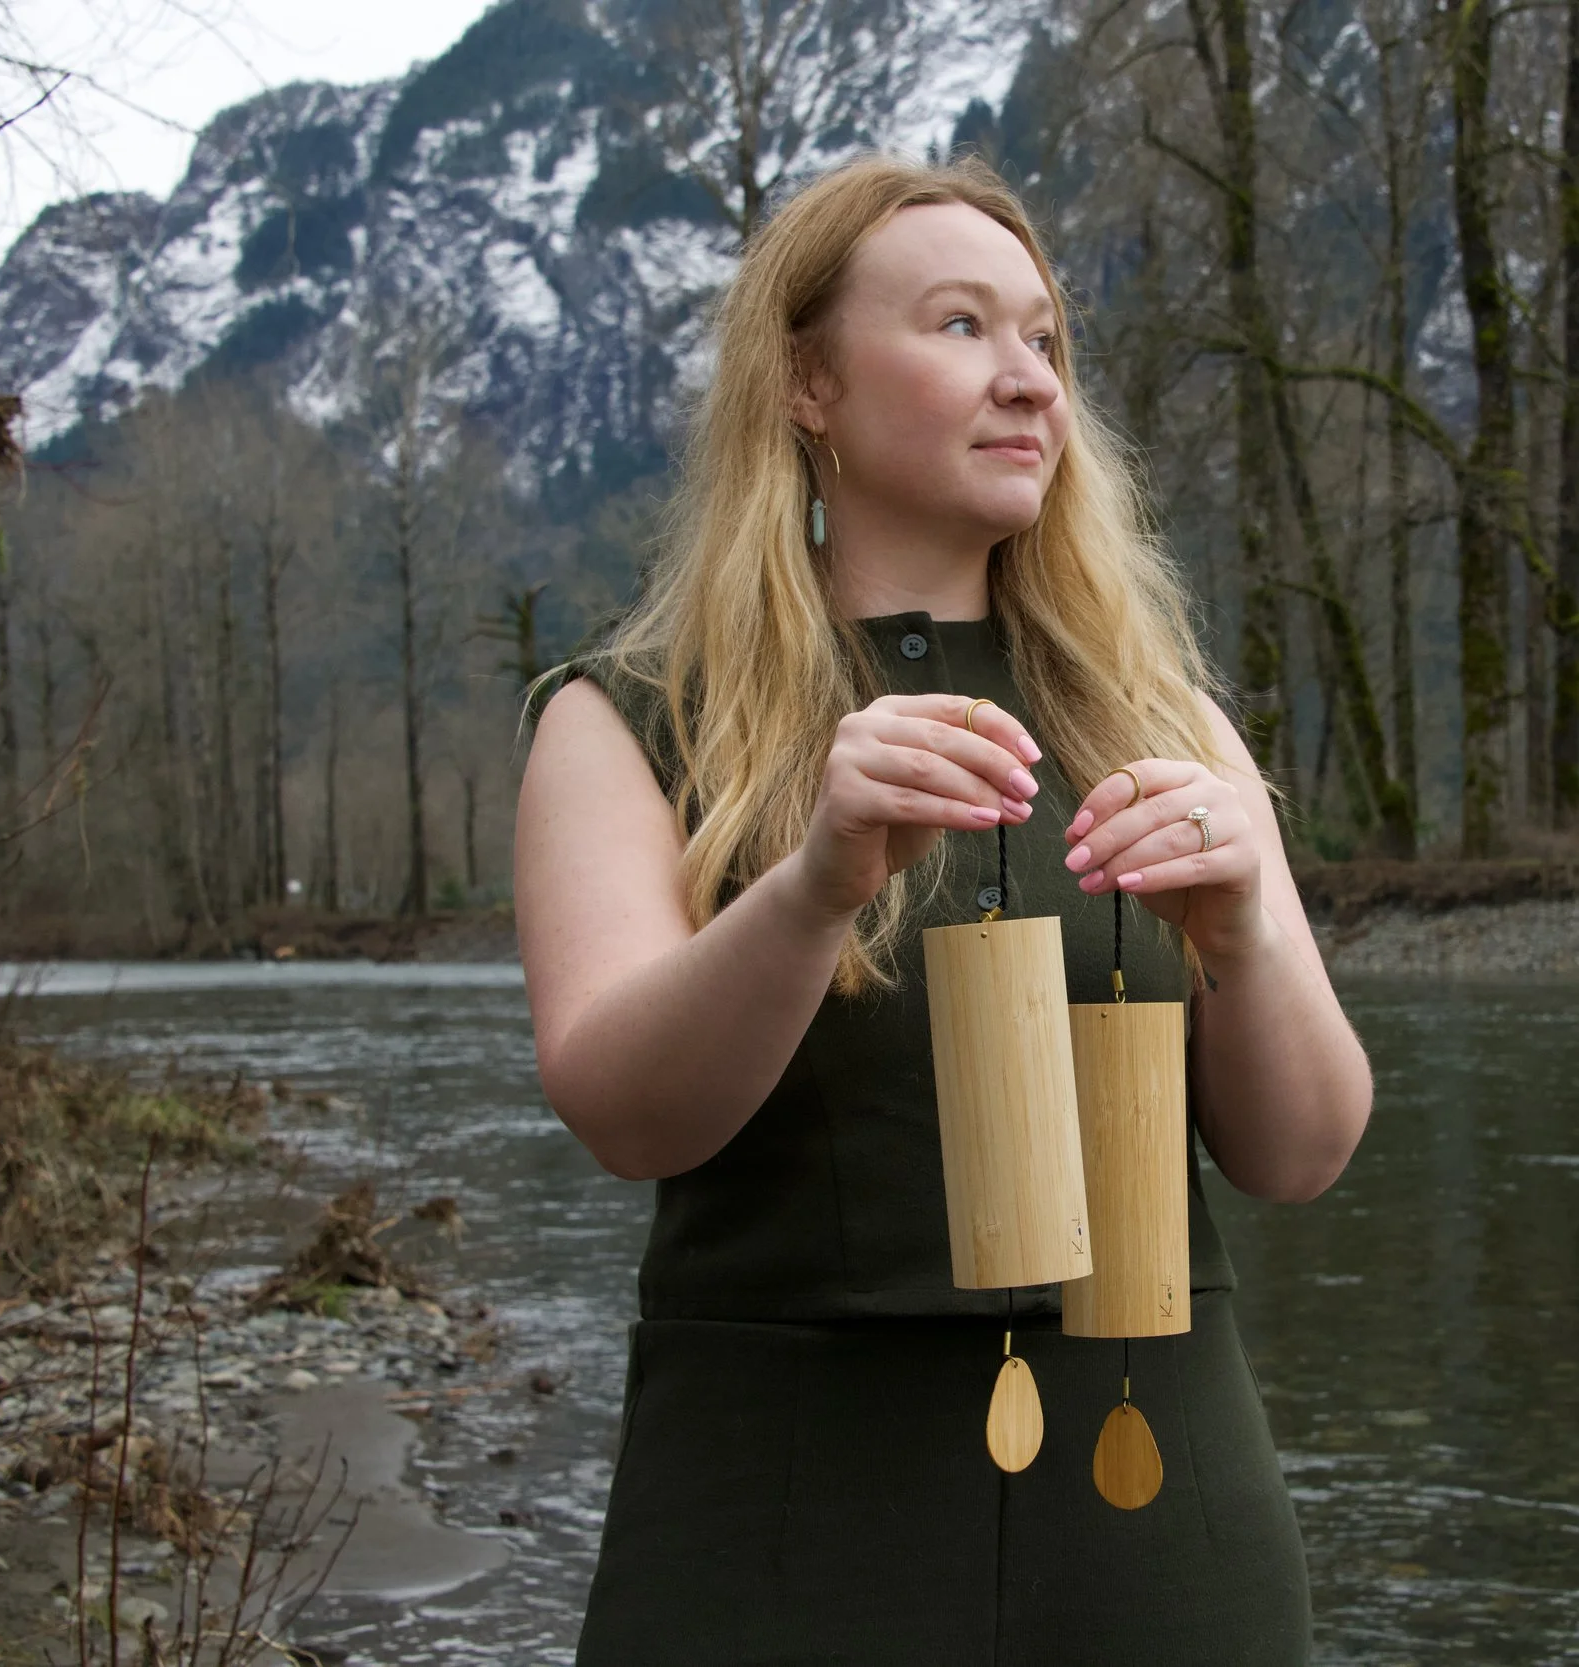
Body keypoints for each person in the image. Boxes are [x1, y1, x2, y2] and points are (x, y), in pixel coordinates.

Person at [513, 153, 1372, 1665]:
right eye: (962, 326)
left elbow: (1298, 1155)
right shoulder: (628, 719)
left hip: (1158, 1521)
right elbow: (626, 1116)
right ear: (807, 384)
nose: (1029, 379)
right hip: (775, 1522)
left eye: (1045, 339)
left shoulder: (1165, 721)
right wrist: (815, 889)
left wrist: (1243, 936)